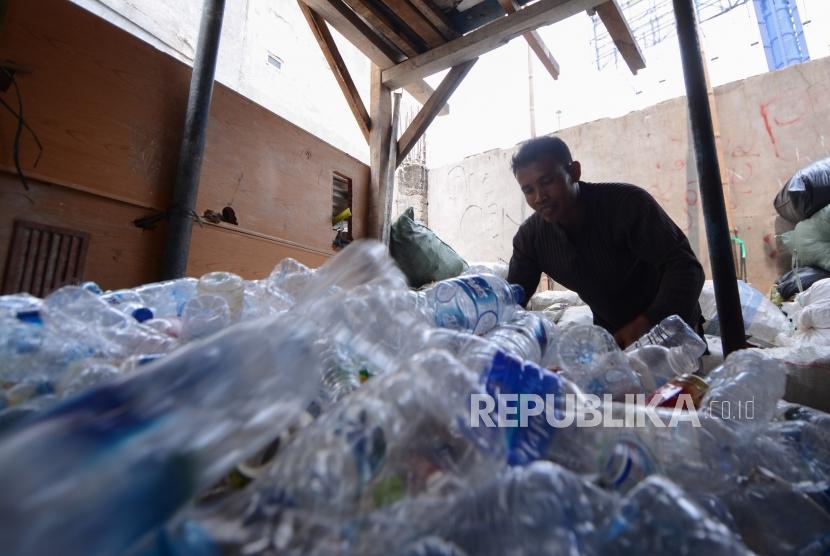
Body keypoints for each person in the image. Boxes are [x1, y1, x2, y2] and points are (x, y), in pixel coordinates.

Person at [506, 136, 705, 349]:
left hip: (675, 334)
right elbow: (509, 303)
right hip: (614, 340)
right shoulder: (530, 239)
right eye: (528, 190)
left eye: (546, 182)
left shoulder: (627, 205)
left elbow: (686, 268)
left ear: (574, 172)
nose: (539, 197)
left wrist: (646, 323)